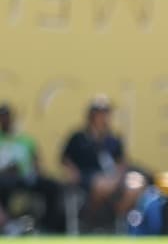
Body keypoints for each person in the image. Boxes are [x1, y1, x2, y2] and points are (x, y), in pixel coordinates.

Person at [60, 97, 147, 232]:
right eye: (100, 113)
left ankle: (115, 218)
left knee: (136, 184)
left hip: (113, 178)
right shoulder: (79, 138)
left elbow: (121, 162)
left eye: (106, 113)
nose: (104, 117)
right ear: (92, 116)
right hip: (87, 177)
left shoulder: (113, 139)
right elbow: (65, 159)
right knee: (101, 185)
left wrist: (117, 178)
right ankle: (90, 219)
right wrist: (72, 173)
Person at [0, 102, 53, 234]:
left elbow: (36, 161)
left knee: (51, 186)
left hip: (25, 178)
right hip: (3, 179)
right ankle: (8, 224)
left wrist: (37, 171)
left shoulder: (25, 140)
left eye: (7, 116)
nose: (5, 119)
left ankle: (48, 225)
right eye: (2, 117)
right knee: (5, 185)